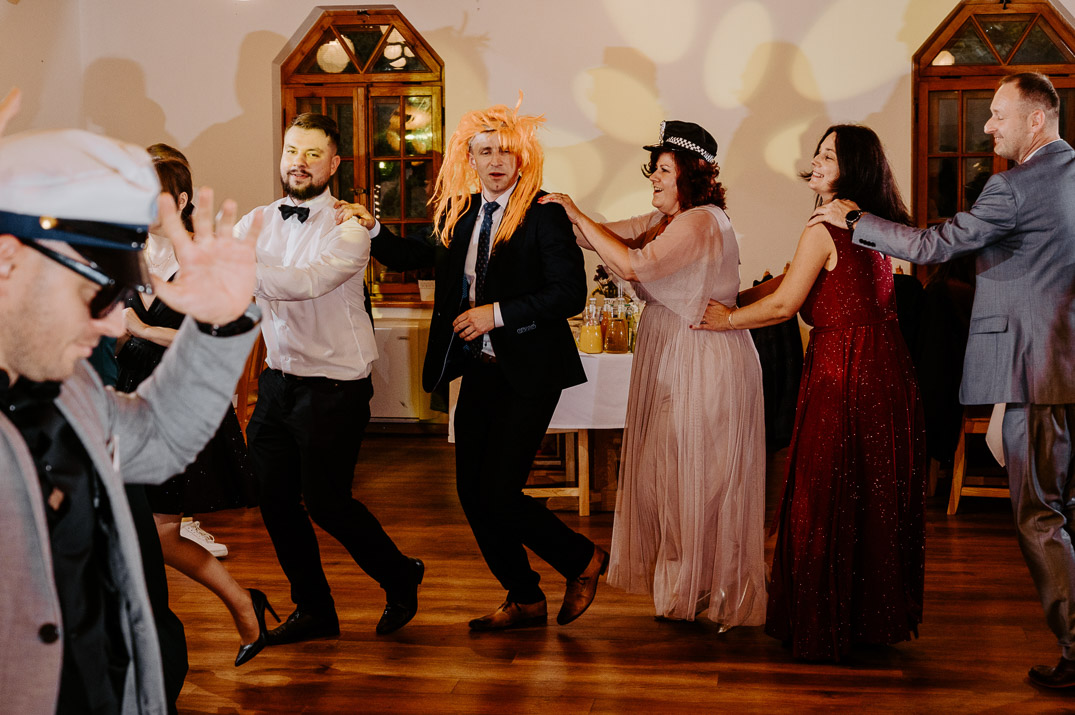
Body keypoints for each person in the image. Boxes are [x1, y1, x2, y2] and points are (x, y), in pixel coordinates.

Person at [811, 72, 1075, 685]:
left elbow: (937, 245)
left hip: (1038, 372)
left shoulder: (1013, 188)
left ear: (1036, 119)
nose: (987, 125)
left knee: (1041, 516)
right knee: (1067, 511)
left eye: (999, 114)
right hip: (1066, 366)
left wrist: (858, 218)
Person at [0, 127, 263, 714]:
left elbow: (160, 437)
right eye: (94, 295)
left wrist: (217, 323)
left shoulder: (70, 390)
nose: (112, 325)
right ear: (7, 263)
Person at [355, 101, 608, 630]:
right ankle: (525, 597)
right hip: (480, 370)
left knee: (498, 492)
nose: (496, 161)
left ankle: (582, 559)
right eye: (486, 151)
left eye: (506, 151)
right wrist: (374, 229)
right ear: (470, 159)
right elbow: (409, 256)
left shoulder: (544, 212)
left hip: (532, 372)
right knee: (472, 494)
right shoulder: (461, 211)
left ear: (522, 158)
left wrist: (496, 313)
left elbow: (569, 293)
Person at [698, 124, 927, 661]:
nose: (818, 161)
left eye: (831, 155)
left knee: (824, 490)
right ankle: (866, 619)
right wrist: (739, 295)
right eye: (819, 152)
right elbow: (791, 282)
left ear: (855, 168)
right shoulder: (865, 221)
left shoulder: (825, 225)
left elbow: (784, 305)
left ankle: (824, 619)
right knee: (869, 492)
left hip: (843, 367)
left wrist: (726, 319)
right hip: (886, 367)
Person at [541, 121, 767, 626]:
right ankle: (688, 588)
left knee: (698, 476)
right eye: (654, 170)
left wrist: (576, 209)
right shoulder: (667, 219)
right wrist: (550, 211)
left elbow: (633, 265)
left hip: (702, 356)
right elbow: (597, 237)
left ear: (692, 173)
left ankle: (710, 589)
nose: (654, 178)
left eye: (664, 170)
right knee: (673, 478)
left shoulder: (699, 222)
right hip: (674, 349)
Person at [235, 113, 423, 643]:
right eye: (292, 151)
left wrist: (236, 270)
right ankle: (314, 609)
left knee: (326, 502)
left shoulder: (350, 227)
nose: (299, 162)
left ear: (334, 163)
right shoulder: (254, 221)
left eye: (313, 154)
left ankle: (399, 573)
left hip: (335, 385)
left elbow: (307, 282)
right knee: (273, 499)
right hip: (279, 380)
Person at [116, 150, 271, 668]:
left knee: (158, 534)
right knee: (138, 532)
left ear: (182, 200)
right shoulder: (132, 254)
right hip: (131, 400)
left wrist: (141, 328)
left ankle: (240, 607)